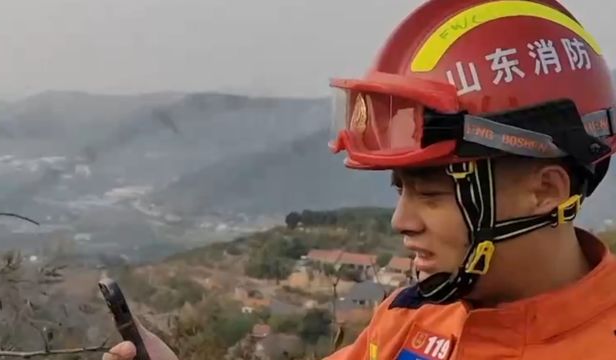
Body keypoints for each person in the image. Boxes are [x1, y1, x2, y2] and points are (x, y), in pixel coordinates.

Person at [103, 0, 616, 359]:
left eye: (432, 192)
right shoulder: (411, 317)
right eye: (400, 189)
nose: (402, 221)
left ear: (546, 191)